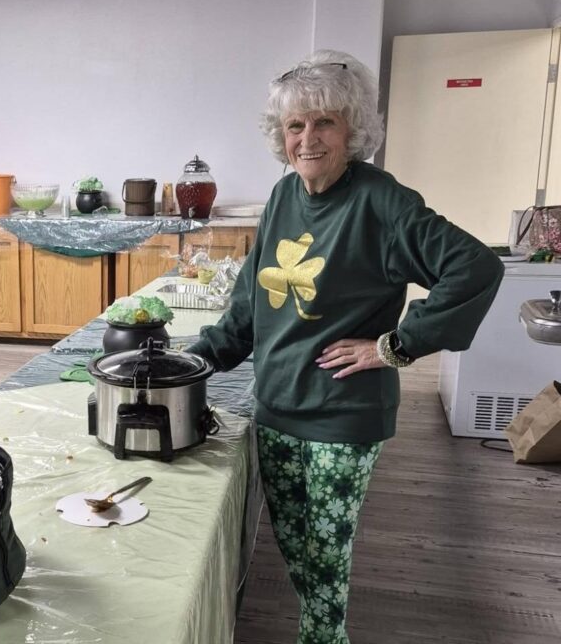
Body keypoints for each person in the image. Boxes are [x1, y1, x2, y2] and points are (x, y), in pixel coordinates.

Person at [187, 51, 503, 644]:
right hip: (277, 403)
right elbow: (252, 304)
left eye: (324, 123)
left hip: (343, 413)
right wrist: (195, 360)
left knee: (326, 562)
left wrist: (395, 345)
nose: (308, 138)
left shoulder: (381, 201)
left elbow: (475, 267)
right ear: (281, 137)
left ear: (351, 130)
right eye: (295, 126)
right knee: (295, 546)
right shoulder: (283, 196)